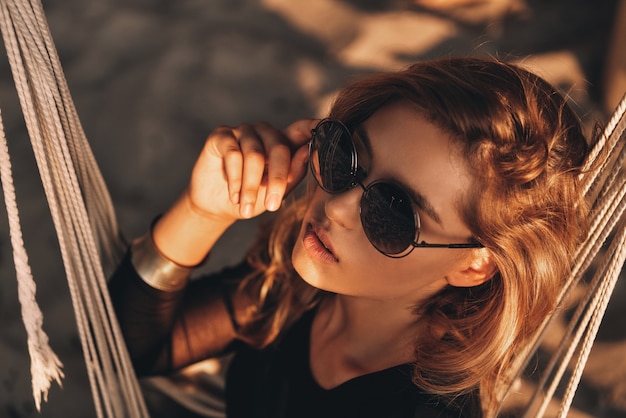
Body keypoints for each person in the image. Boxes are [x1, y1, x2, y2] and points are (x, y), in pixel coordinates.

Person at [109, 56, 592, 418]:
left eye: (392, 212)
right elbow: (132, 347)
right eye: (346, 157)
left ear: (473, 265)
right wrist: (202, 211)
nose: (336, 207)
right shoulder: (300, 291)